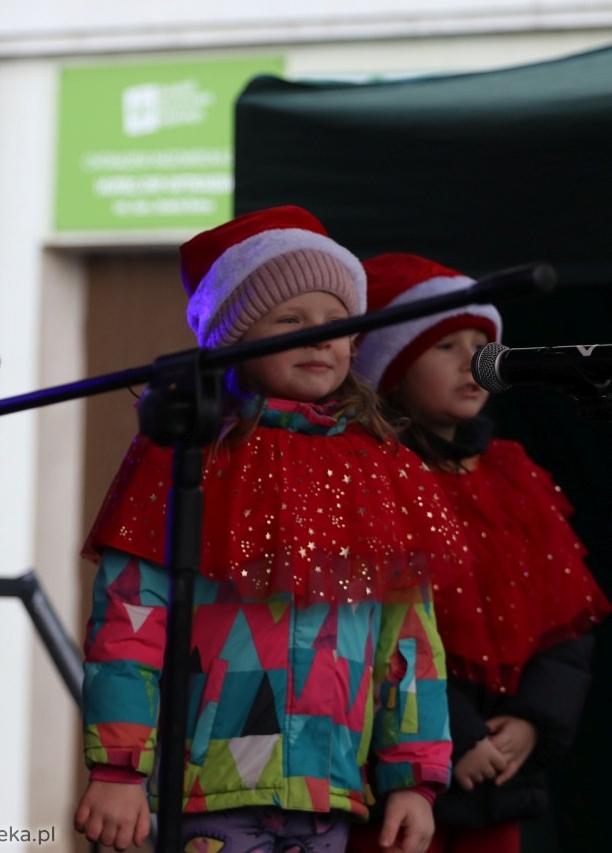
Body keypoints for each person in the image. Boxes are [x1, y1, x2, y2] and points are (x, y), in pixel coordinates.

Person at [74, 206, 465, 853]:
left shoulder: (379, 465)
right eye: (291, 319)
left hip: (328, 791)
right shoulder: (191, 454)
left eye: (336, 323)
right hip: (210, 791)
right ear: (233, 337)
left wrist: (415, 777)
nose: (320, 338)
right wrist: (118, 766)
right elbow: (131, 618)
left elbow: (408, 638)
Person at [347, 252, 610, 853]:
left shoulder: (512, 474)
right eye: (445, 346)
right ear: (390, 366)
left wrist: (530, 724)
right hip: (398, 775)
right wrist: (454, 738)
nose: (476, 362)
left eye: (482, 342)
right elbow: (378, 634)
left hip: (500, 771)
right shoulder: (370, 478)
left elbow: (565, 621)